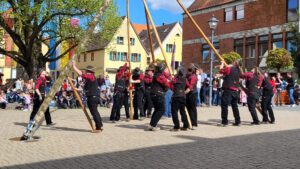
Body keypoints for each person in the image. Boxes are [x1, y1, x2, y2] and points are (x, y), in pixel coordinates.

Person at [72, 61, 103, 132]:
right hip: (92, 97)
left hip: (93, 97)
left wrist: (74, 67)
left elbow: (81, 74)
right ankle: (99, 125)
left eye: (86, 71)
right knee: (95, 112)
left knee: (94, 112)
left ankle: (98, 127)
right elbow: (84, 88)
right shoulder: (89, 79)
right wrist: (77, 89)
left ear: (88, 71)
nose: (85, 72)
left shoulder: (91, 76)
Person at [148, 63, 171, 131]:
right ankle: (153, 125)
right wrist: (168, 83)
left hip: (155, 94)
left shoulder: (157, 74)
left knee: (157, 109)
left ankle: (151, 124)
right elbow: (164, 83)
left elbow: (165, 77)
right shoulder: (159, 75)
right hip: (158, 94)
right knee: (161, 110)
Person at [219, 60, 241, 127]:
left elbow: (221, 70)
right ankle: (238, 121)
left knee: (224, 106)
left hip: (228, 90)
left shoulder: (230, 68)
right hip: (235, 91)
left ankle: (224, 122)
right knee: (235, 107)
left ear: (234, 63)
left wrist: (222, 63)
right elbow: (228, 76)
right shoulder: (238, 70)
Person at [170, 67, 189, 131]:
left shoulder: (175, 79)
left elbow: (171, 84)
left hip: (176, 96)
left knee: (174, 112)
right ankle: (185, 125)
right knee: (182, 111)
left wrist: (172, 79)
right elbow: (188, 85)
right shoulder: (185, 79)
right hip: (183, 96)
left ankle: (176, 126)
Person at [185, 64, 198, 129]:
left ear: (193, 71)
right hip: (188, 93)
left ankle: (194, 123)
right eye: (188, 70)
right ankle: (188, 123)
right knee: (187, 108)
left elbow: (190, 86)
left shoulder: (193, 76)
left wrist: (184, 93)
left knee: (192, 109)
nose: (189, 71)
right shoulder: (187, 75)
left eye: (190, 70)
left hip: (193, 93)